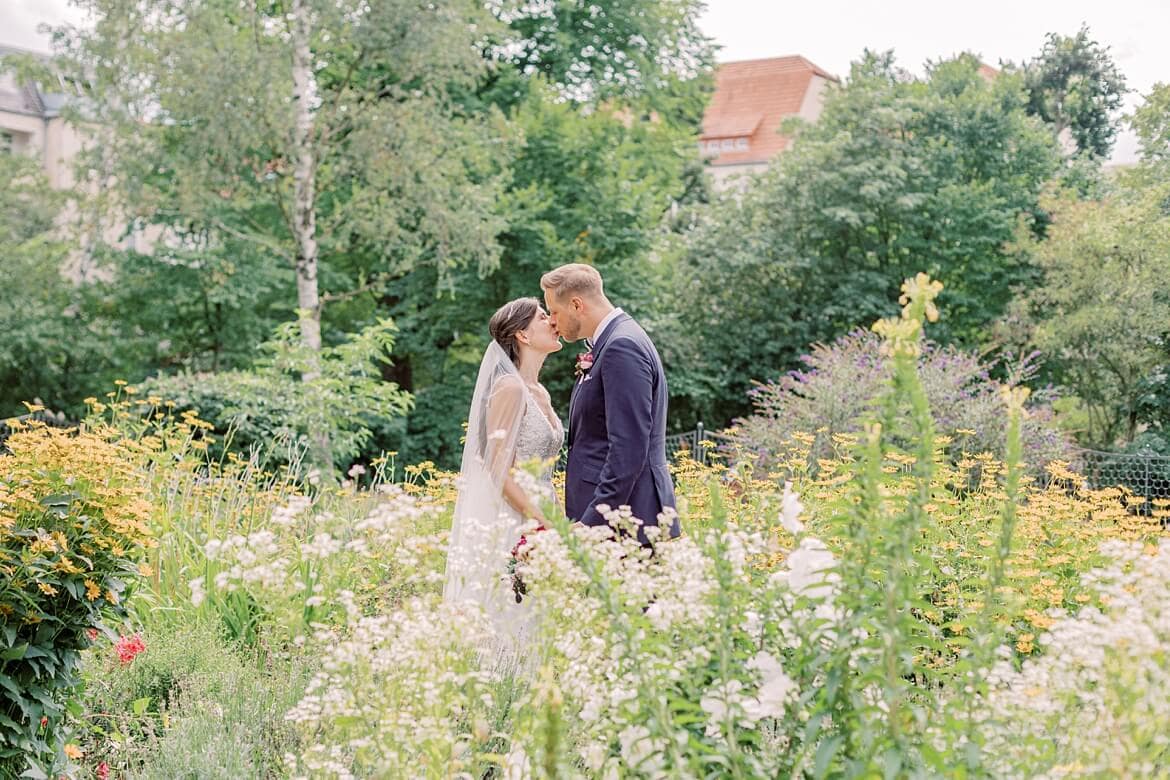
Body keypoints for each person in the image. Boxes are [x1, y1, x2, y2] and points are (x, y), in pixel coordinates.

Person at [443, 297, 564, 647]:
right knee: (509, 614)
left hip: (544, 511)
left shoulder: (540, 392)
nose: (553, 321)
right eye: (543, 317)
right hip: (515, 518)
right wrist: (540, 522)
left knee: (537, 617)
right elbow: (498, 470)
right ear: (522, 335)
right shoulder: (509, 389)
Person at [541, 263, 680, 547]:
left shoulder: (621, 346)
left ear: (577, 304)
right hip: (618, 521)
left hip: (626, 524)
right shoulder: (612, 342)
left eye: (554, 311)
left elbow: (628, 449)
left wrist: (592, 521)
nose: (552, 321)